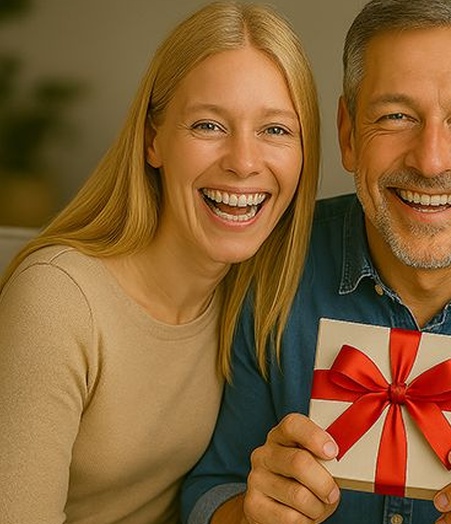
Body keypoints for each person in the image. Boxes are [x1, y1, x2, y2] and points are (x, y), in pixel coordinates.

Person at [181, 1, 451, 523]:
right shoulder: (272, 263)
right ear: (347, 134)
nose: (430, 159)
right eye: (396, 116)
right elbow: (209, 488)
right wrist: (246, 515)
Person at [0, 2, 319, 522]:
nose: (243, 161)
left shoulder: (254, 297)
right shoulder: (57, 301)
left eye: (276, 130)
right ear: (153, 140)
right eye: (209, 125)